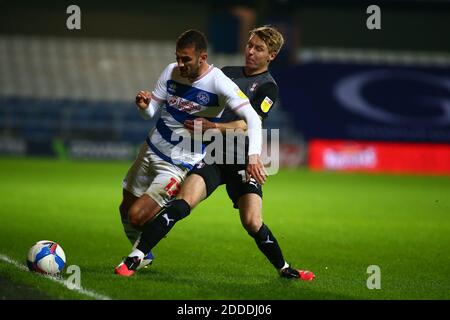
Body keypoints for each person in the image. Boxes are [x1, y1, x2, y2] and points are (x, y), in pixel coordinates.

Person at [116, 29, 266, 274]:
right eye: (178, 57)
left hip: (177, 164)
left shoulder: (218, 82)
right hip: (149, 150)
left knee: (136, 217)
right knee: (125, 210)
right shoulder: (171, 71)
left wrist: (254, 157)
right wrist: (145, 107)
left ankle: (147, 242)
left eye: (186, 59)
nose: (180, 64)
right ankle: (144, 253)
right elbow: (152, 111)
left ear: (202, 57)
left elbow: (253, 118)